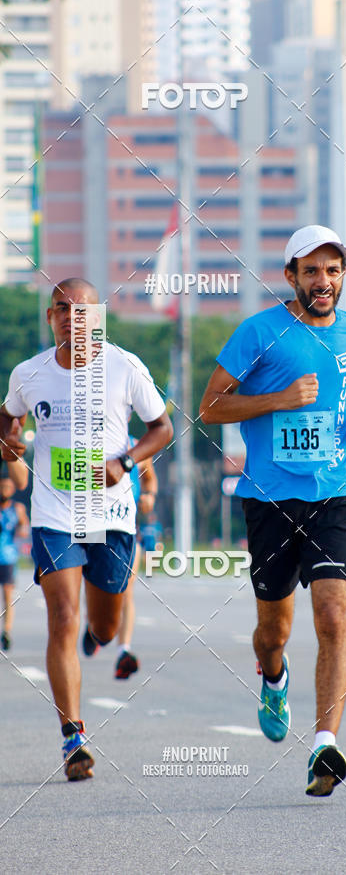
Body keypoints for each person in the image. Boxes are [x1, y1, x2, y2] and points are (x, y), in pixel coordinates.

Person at [199, 225, 346, 797]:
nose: (323, 281)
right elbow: (209, 406)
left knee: (332, 617)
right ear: (290, 277)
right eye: (311, 271)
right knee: (272, 631)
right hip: (270, 500)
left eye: (333, 271)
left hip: (337, 492)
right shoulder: (259, 333)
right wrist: (278, 399)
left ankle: (324, 744)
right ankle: (273, 677)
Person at [0, 278, 173, 780]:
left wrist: (127, 461)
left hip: (113, 515)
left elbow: (161, 428)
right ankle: (73, 736)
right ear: (49, 318)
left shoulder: (124, 367)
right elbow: (6, 420)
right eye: (61, 310)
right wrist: (9, 442)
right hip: (55, 515)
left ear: (97, 318)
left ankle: (98, 638)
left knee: (102, 625)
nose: (72, 319)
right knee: (63, 614)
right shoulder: (29, 374)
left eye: (82, 311)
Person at [113, 447, 158, 679]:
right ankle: (95, 629)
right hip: (94, 527)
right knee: (94, 586)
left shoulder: (138, 446)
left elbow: (150, 479)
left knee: (127, 592)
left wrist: (148, 495)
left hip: (129, 527)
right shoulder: (89, 438)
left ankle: (124, 649)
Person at [0, 455, 30, 651]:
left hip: (8, 557)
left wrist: (21, 522)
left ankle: (7, 631)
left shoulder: (17, 508)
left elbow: (24, 531)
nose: (5, 490)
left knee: (8, 595)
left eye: (8, 487)